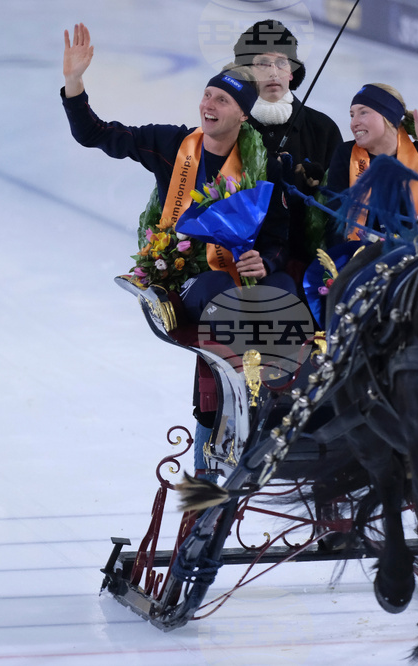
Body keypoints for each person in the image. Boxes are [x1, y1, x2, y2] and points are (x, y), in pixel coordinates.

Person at [61, 23, 297, 478]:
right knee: (216, 288)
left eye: (221, 100)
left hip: (241, 276)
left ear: (242, 115)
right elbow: (96, 134)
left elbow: (277, 236)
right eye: (207, 95)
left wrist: (265, 260)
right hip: (187, 278)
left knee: (285, 287)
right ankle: (236, 414)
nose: (208, 105)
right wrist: (75, 83)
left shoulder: (263, 164)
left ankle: (281, 404)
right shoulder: (172, 144)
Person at [232, 20, 343, 268]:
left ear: (291, 72)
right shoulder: (229, 125)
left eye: (282, 63)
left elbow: (339, 205)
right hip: (235, 257)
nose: (274, 72)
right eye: (263, 63)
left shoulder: (323, 129)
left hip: (305, 262)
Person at [325, 83, 418, 242]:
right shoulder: (346, 154)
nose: (354, 123)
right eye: (352, 115)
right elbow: (335, 218)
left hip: (415, 251)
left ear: (388, 116)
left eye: (363, 113)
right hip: (358, 251)